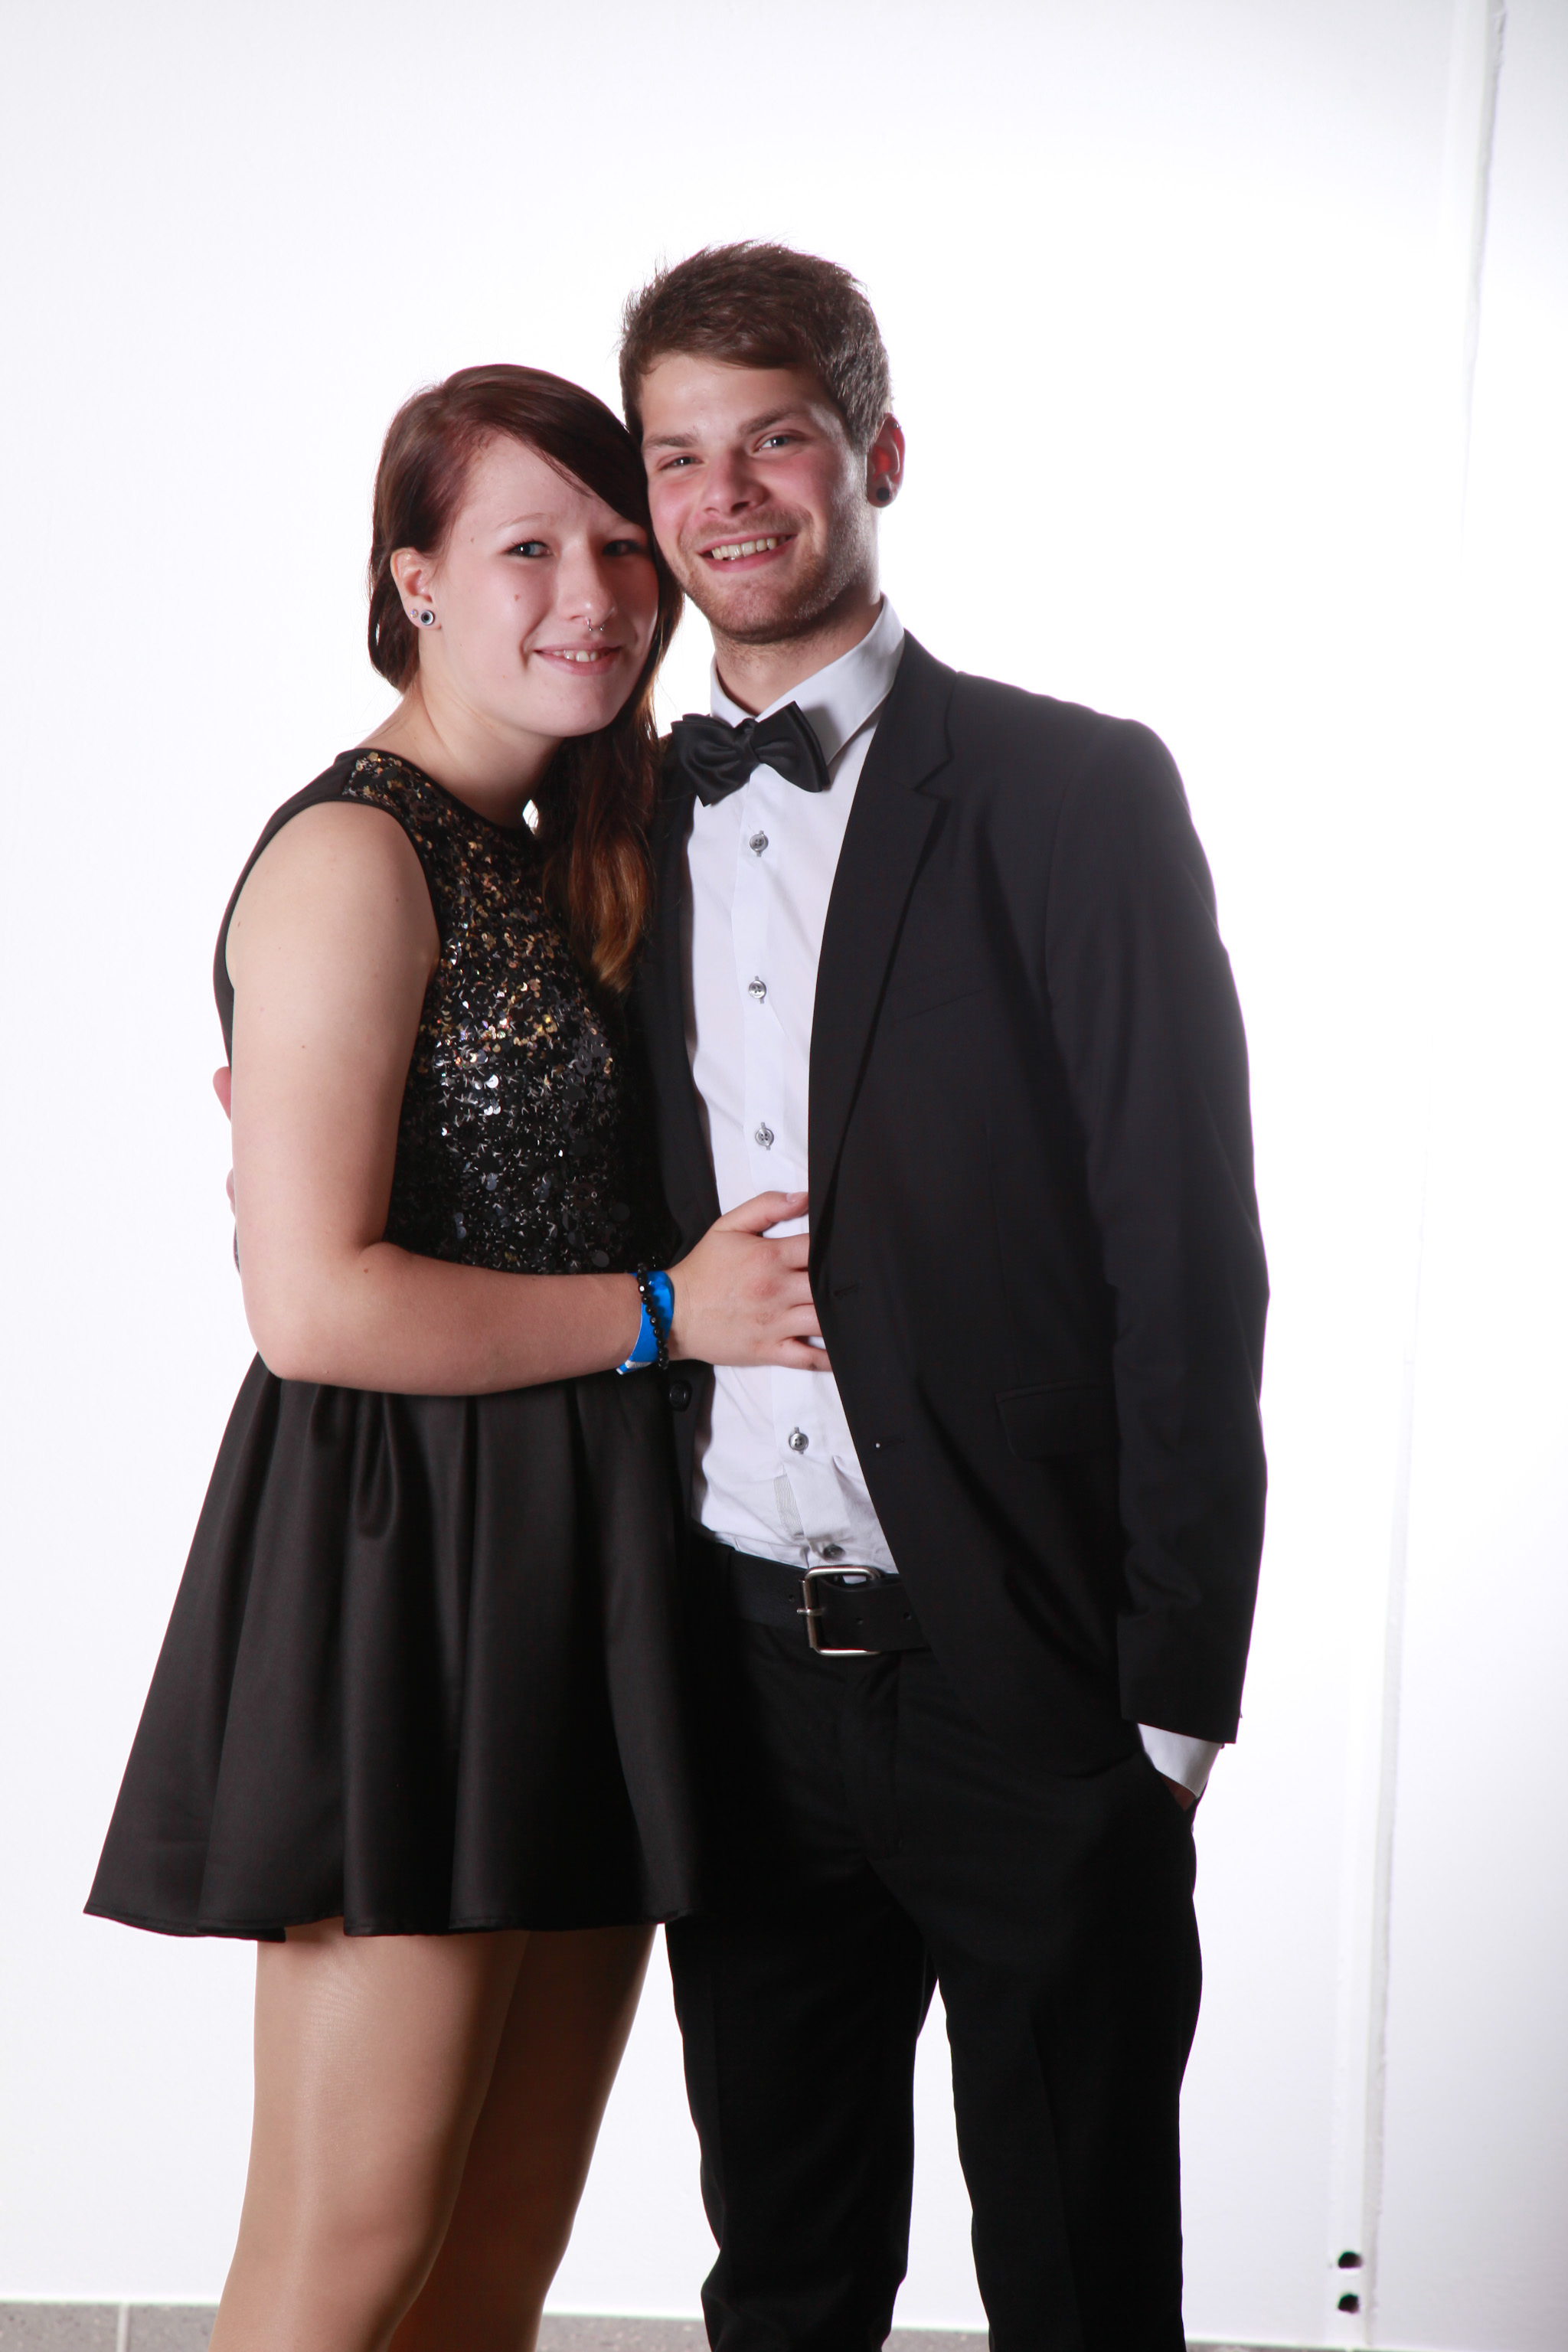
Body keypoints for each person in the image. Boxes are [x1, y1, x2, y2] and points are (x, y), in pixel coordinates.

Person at [87, 364, 824, 2352]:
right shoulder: (357, 855)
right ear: (413, 579)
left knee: (494, 2260)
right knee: (347, 2252)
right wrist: (668, 1312)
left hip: (590, 1568)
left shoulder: (573, 845)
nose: (592, 594)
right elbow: (313, 1303)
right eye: (526, 548)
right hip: (409, 1574)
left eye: (620, 547)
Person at [618, 245, 1270, 2351]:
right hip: (737, 1679)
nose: (726, 497)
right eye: (677, 457)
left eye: (776, 440)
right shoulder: (609, 821)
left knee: (1082, 2287)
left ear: (877, 452)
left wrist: (1167, 1703)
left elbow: (1188, 1251)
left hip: (1030, 1680)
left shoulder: (1077, 795)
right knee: (786, 2283)